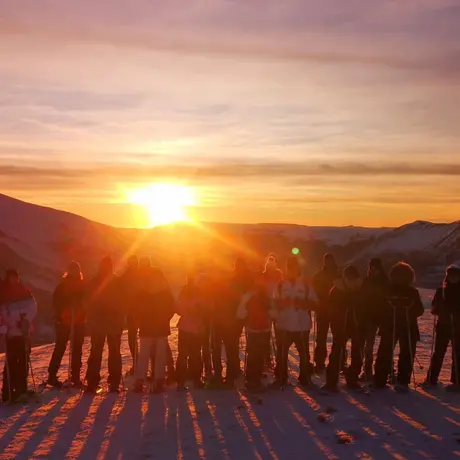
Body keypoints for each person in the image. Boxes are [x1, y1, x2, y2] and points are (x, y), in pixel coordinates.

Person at [373, 262, 424, 393]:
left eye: (403, 275)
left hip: (407, 326)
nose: (401, 278)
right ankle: (380, 379)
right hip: (391, 325)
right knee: (385, 352)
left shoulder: (413, 292)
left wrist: (407, 312)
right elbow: (380, 307)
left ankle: (402, 381)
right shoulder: (388, 290)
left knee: (406, 353)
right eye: (398, 275)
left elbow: (419, 310)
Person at [272, 257, 318, 389]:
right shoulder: (280, 285)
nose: (291, 270)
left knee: (304, 354)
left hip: (301, 325)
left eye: (293, 267)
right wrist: (281, 304)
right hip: (284, 325)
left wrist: (303, 303)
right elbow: (274, 303)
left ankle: (305, 378)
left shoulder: (305, 285)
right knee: (281, 353)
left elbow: (315, 303)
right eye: (289, 267)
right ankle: (281, 378)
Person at [208, 258, 252, 389]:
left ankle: (223, 375)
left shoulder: (224, 284)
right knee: (228, 348)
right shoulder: (230, 283)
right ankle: (228, 375)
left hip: (224, 321)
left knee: (222, 348)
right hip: (226, 321)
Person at [133, 261, 175, 394]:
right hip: (160, 328)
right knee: (159, 355)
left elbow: (136, 308)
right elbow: (171, 308)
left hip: (147, 327)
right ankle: (158, 380)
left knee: (144, 355)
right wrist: (165, 318)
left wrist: (139, 319)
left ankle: (140, 380)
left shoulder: (143, 292)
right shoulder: (164, 293)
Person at [322, 266, 365, 393]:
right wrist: (336, 322)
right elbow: (331, 309)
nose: (352, 282)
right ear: (345, 278)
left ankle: (352, 379)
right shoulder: (336, 290)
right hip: (341, 325)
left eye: (354, 279)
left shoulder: (359, 290)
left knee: (357, 352)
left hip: (355, 324)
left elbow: (364, 306)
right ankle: (331, 381)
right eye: (350, 279)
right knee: (337, 352)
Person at [85, 257, 124, 393]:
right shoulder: (118, 282)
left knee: (96, 352)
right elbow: (123, 301)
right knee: (114, 352)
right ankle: (113, 382)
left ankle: (92, 382)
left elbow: (89, 301)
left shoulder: (94, 282)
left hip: (99, 323)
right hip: (112, 323)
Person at [0, 269, 37, 402]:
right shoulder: (3, 293)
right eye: (11, 277)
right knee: (11, 363)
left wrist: (26, 320)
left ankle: (20, 389)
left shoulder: (24, 290)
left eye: (15, 277)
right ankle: (8, 392)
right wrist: (2, 327)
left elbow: (32, 306)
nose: (13, 280)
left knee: (23, 361)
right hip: (11, 334)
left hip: (23, 333)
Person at [47, 261, 86, 388]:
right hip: (66, 321)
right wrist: (67, 309)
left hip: (76, 321)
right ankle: (53, 376)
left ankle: (74, 376)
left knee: (75, 348)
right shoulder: (64, 286)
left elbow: (88, 301)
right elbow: (56, 302)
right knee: (62, 347)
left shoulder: (79, 286)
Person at [424, 265, 460, 392]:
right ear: (447, 277)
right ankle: (431, 378)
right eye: (451, 276)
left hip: (457, 327)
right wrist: (438, 309)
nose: (454, 278)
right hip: (444, 325)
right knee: (438, 353)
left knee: (457, 355)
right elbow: (434, 307)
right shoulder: (441, 291)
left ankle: (457, 382)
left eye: (456, 276)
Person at [237, 272, 274, 392]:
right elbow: (241, 312)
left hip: (265, 328)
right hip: (253, 328)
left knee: (261, 354)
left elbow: (272, 310)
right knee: (253, 355)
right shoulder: (249, 295)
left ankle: (256, 379)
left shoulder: (266, 295)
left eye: (262, 280)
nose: (260, 282)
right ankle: (251, 380)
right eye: (258, 279)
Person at [175, 270, 208, 390]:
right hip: (196, 328)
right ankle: (196, 379)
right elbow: (204, 309)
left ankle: (181, 381)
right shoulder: (199, 292)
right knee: (195, 354)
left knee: (183, 355)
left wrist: (186, 311)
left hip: (184, 327)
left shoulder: (183, 291)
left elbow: (178, 309)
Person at [359, 258, 389, 380]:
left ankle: (369, 370)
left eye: (375, 267)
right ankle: (365, 370)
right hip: (365, 316)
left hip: (375, 317)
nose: (373, 269)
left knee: (370, 345)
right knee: (364, 345)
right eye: (371, 267)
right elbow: (360, 298)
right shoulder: (367, 281)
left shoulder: (383, 282)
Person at [312, 253, 340, 373]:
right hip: (325, 310)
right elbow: (314, 292)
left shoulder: (336, 275)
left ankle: (335, 361)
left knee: (337, 338)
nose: (328, 262)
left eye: (330, 260)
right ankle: (320, 363)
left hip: (334, 310)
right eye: (327, 260)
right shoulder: (337, 275)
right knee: (321, 338)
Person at [120, 255, 140, 376]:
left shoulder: (126, 276)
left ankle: (137, 363)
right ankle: (139, 363)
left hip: (134, 310)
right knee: (144, 338)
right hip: (139, 310)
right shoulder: (143, 274)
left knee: (133, 337)